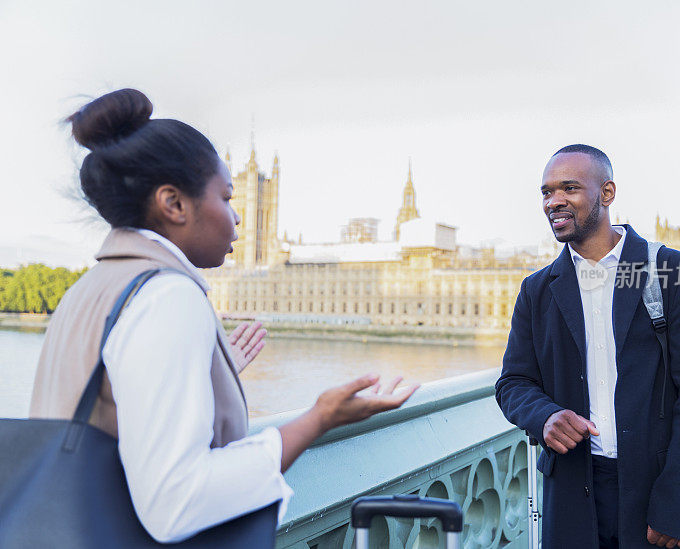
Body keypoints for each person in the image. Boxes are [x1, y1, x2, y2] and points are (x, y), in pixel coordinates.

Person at [29, 88, 419, 543]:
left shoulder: (92, 286)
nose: (236, 218)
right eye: (226, 197)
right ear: (173, 204)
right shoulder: (167, 294)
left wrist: (207, 371)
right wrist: (319, 418)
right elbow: (176, 502)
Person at [495, 145, 680, 549]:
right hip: (574, 493)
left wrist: (678, 505)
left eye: (569, 188)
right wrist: (545, 416)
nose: (554, 201)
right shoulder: (536, 290)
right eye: (546, 192)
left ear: (607, 192)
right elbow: (513, 382)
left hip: (660, 488)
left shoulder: (676, 272)